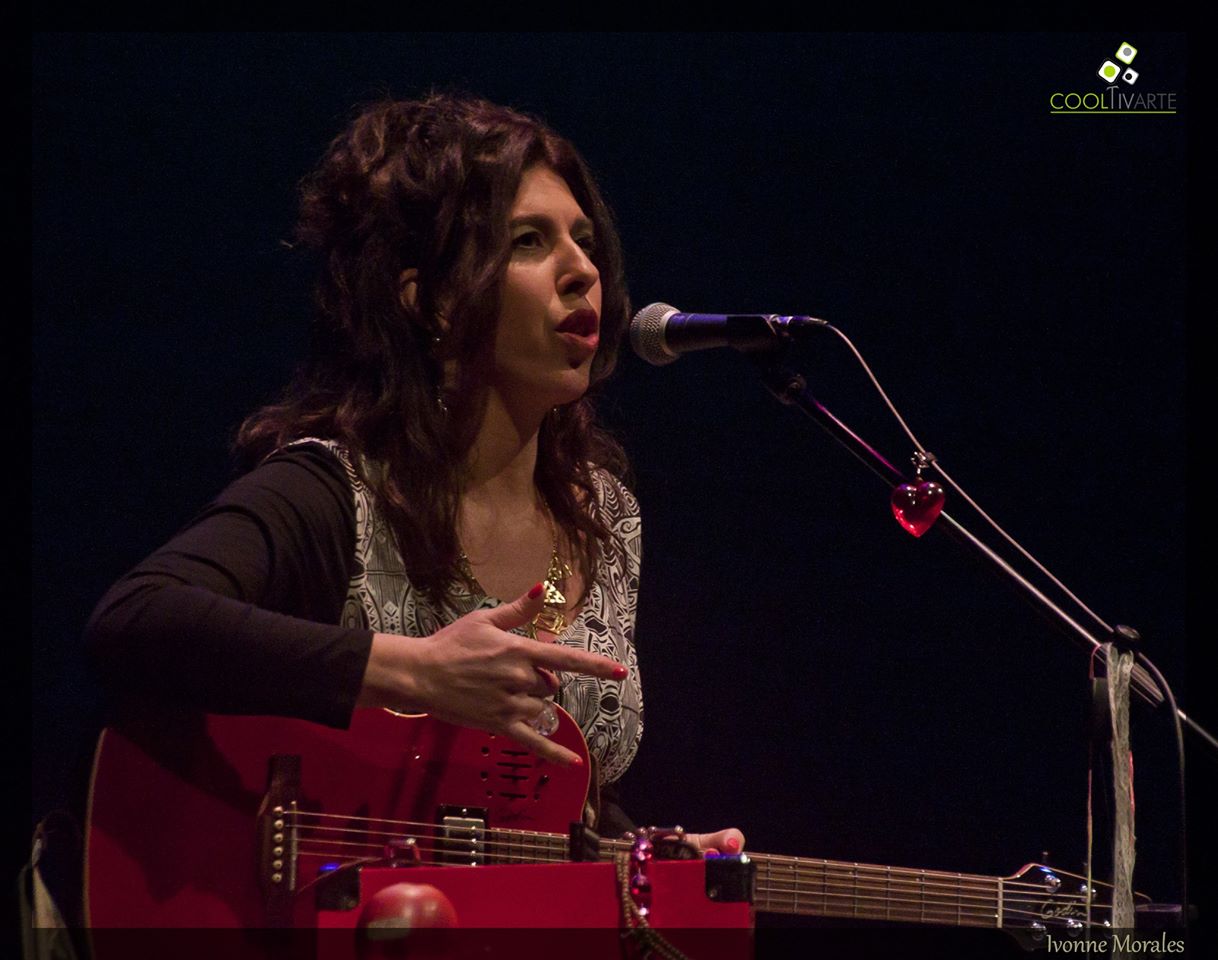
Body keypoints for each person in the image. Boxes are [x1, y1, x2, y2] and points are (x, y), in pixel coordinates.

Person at [84, 92, 742, 855]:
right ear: (429, 301)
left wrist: (636, 856)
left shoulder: (606, 518)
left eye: (585, 240)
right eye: (530, 241)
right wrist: (417, 671)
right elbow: (132, 621)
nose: (582, 271)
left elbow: (525, 796)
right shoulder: (338, 492)